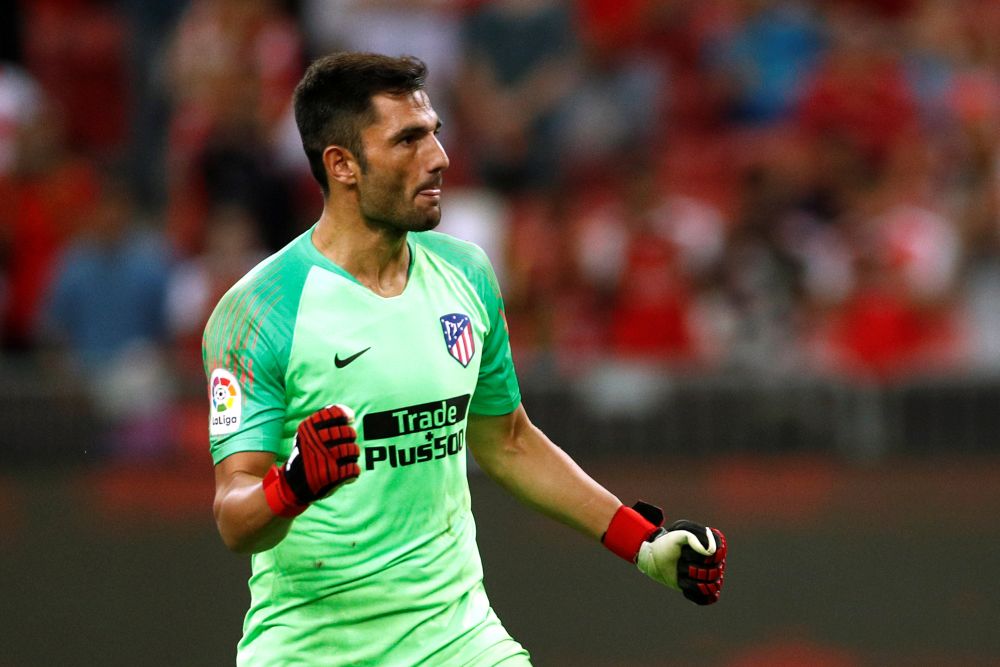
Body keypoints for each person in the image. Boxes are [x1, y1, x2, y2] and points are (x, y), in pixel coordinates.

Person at [203, 52, 727, 666]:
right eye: (408, 140)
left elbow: (508, 440)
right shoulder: (258, 312)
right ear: (342, 164)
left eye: (435, 134)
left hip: (459, 640)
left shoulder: (466, 273)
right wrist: (291, 487)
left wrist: (643, 543)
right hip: (314, 650)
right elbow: (234, 519)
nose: (439, 158)